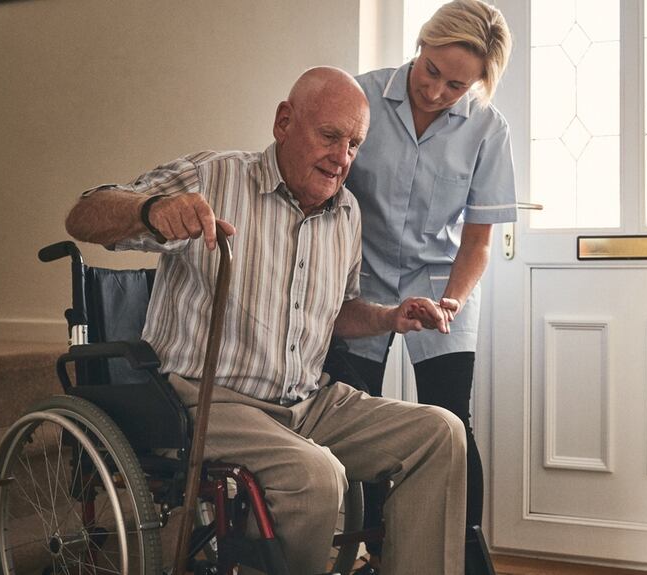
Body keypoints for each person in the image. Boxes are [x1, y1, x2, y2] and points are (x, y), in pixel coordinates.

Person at [64, 66, 467, 575]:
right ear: (284, 122)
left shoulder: (347, 214)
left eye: (354, 145)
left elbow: (335, 312)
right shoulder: (214, 177)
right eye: (330, 137)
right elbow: (83, 214)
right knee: (314, 475)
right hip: (207, 398)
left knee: (440, 432)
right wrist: (151, 210)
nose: (342, 158)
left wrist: (390, 316)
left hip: (308, 401)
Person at [324, 1, 516, 571]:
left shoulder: (488, 127)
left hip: (442, 279)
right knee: (364, 415)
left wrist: (453, 298)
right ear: (420, 46)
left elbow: (477, 241)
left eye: (456, 84)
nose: (436, 91)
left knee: (451, 416)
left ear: (479, 83)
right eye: (431, 71)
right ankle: (380, 547)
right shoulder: (361, 98)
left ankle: (462, 552)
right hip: (362, 275)